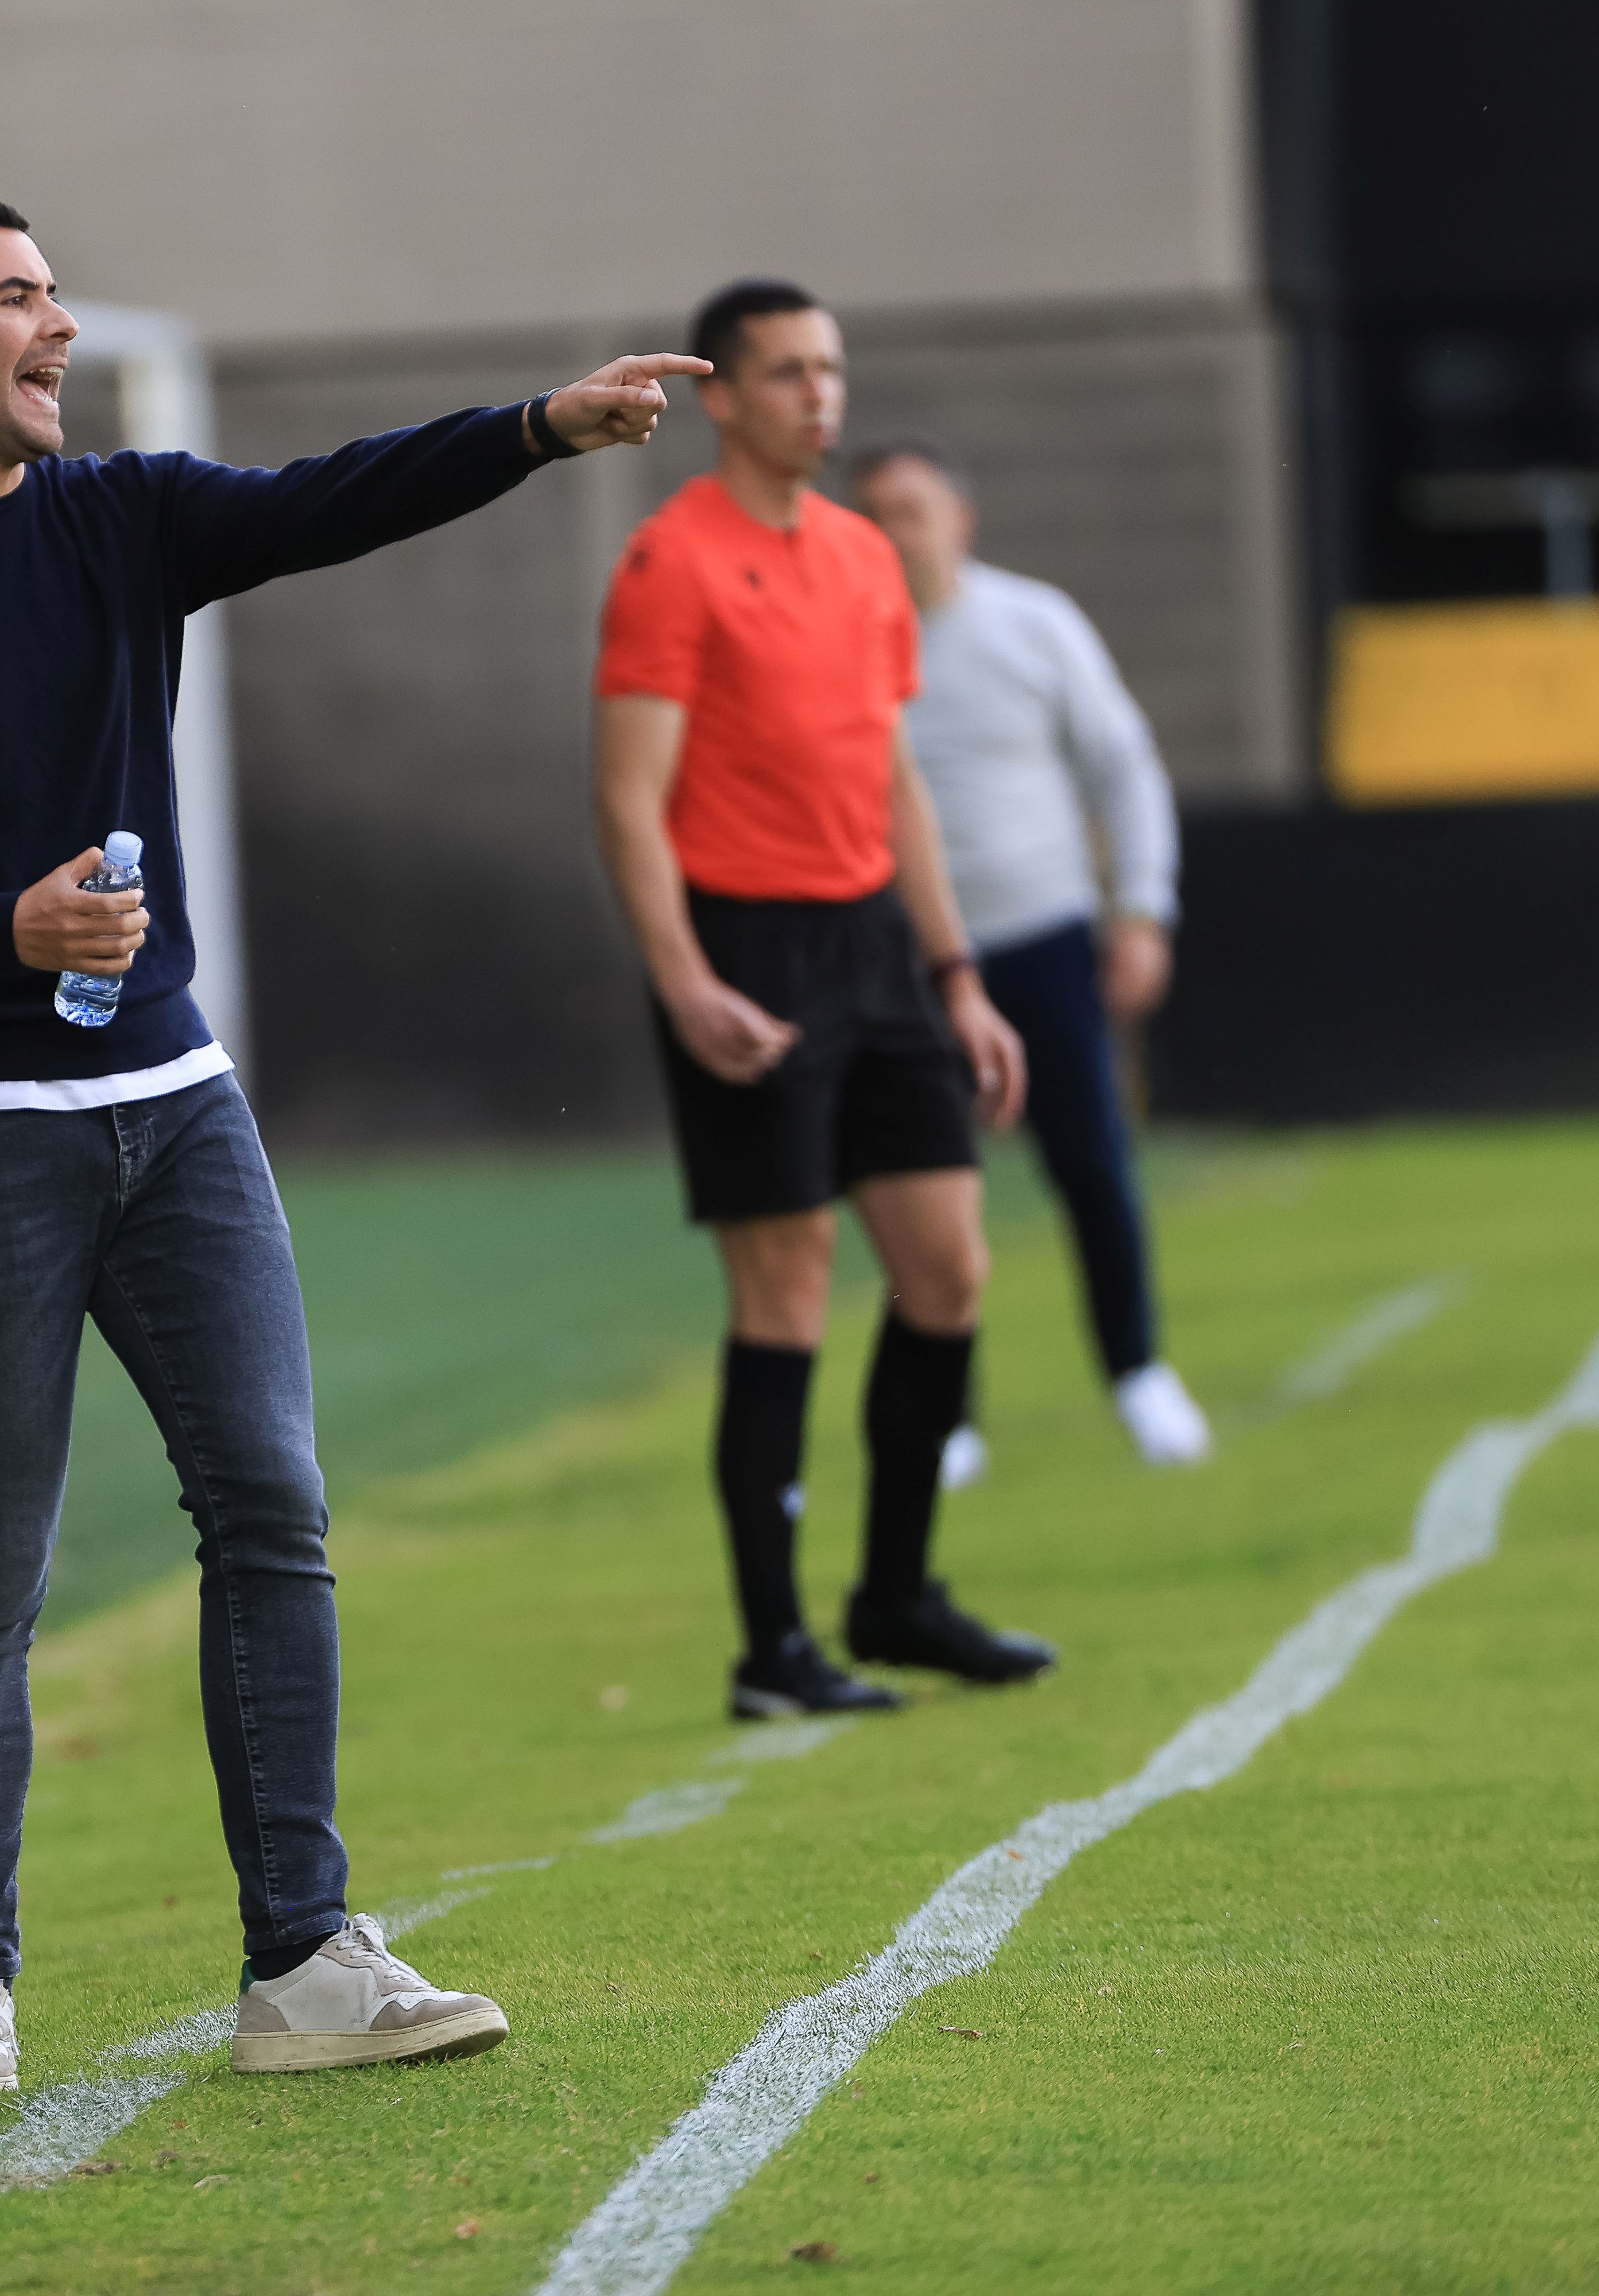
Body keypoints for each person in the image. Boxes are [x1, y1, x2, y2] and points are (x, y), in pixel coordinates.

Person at [0, 186, 705, 2099]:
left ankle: (305, 1964)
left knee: (271, 1504)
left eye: (57, 292)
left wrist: (533, 428)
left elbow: (330, 496)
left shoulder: (121, 521)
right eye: (17, 297)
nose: (58, 325)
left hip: (176, 1110)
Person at [590, 278, 1054, 1723]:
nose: (820, 396)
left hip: (875, 950)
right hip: (750, 949)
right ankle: (773, 1647)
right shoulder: (671, 562)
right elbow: (627, 798)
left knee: (950, 1271)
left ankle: (897, 1595)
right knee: (786, 1289)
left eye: (830, 369)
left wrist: (957, 974)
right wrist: (687, 981)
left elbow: (893, 774)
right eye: (787, 373)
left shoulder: (861, 556)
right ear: (719, 397)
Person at [850, 440, 1209, 1473]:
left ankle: (1140, 1375)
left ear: (961, 518)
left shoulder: (1034, 624)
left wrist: (1140, 909)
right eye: (873, 514)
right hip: (908, 956)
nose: (894, 533)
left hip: (1044, 937)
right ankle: (947, 1413)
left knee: (1092, 1163)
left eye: (913, 510)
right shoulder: (846, 640)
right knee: (923, 1190)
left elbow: (1123, 767)